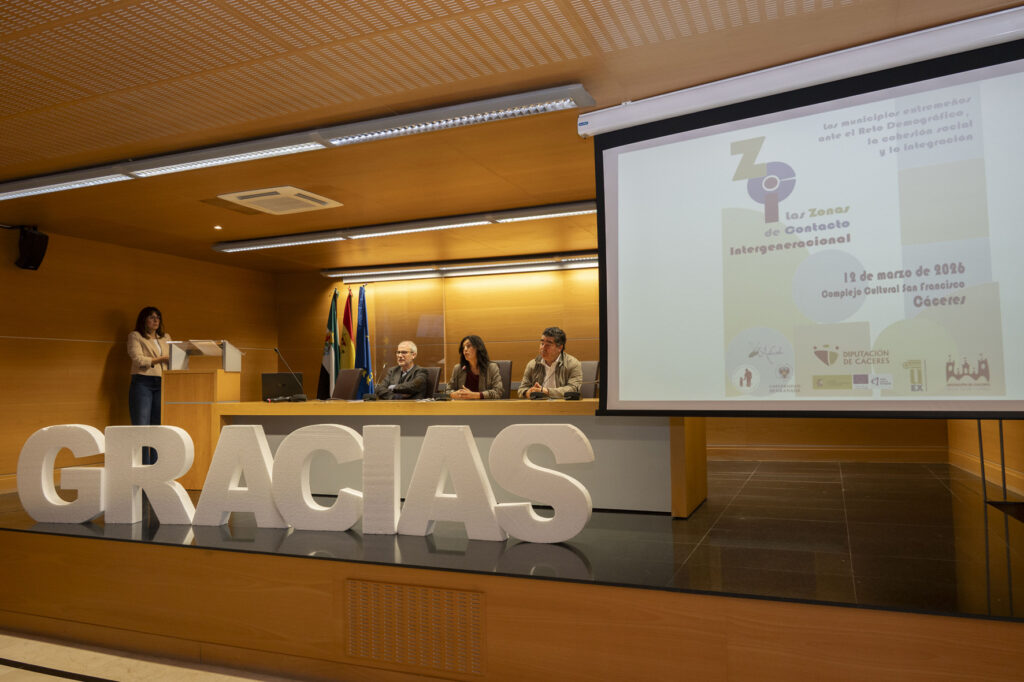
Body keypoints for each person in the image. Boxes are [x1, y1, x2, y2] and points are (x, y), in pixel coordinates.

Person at [127, 306, 171, 464]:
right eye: (152, 317)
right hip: (143, 382)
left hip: (162, 382)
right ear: (143, 319)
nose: (156, 320)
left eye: (158, 317)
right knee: (142, 426)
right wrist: (161, 359)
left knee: (158, 426)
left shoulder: (165, 338)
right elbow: (138, 360)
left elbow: (173, 357)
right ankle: (143, 466)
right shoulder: (135, 336)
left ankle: (156, 466)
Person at [518, 326, 583, 399]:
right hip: (539, 404)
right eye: (542, 343)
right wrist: (528, 392)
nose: (543, 348)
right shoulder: (533, 364)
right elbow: (522, 389)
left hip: (562, 404)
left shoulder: (573, 364)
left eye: (548, 345)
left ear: (560, 347)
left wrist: (547, 392)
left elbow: (573, 388)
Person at [448, 335, 503, 400]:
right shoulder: (458, 368)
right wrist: (453, 394)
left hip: (484, 405)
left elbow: (498, 392)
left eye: (468, 346)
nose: (465, 349)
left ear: (478, 348)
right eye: (463, 347)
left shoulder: (491, 368)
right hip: (463, 405)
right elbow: (447, 390)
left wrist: (474, 395)